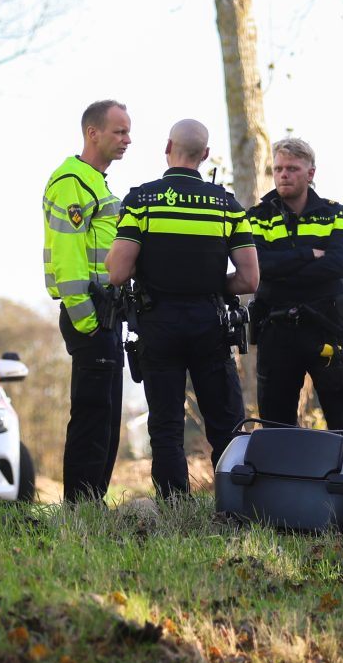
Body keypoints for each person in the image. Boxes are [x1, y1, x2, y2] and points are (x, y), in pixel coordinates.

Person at [104, 119, 259, 499]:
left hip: (159, 323)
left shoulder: (141, 200)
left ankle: (174, 505)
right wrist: (209, 285)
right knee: (225, 422)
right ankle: (235, 503)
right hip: (211, 323)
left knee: (166, 424)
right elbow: (250, 279)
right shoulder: (226, 205)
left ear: (168, 146)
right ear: (205, 155)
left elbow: (118, 271)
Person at [41, 100, 133, 502]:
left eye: (128, 132)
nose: (127, 140)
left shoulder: (96, 182)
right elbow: (68, 258)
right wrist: (87, 320)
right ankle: (80, 510)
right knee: (93, 416)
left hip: (106, 313)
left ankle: (92, 507)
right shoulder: (72, 183)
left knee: (108, 418)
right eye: (119, 132)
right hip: (91, 314)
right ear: (92, 133)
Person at [248, 136, 343, 432]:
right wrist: (307, 255)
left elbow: (338, 265)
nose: (283, 175)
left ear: (310, 173)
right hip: (276, 331)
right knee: (275, 426)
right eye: (278, 169)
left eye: (292, 168)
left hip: (326, 327)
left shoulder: (333, 213)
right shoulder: (256, 217)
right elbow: (257, 267)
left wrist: (283, 269)